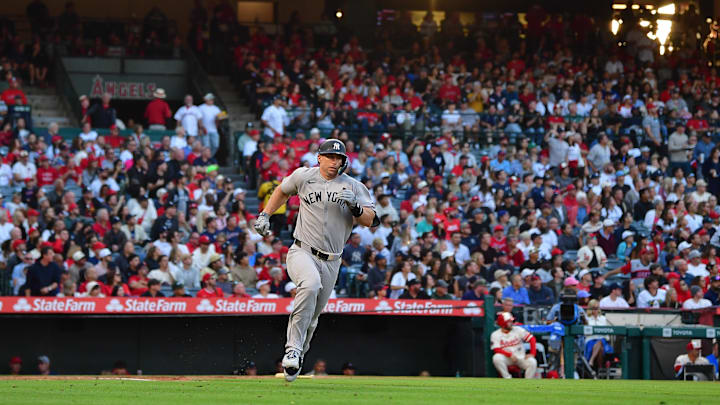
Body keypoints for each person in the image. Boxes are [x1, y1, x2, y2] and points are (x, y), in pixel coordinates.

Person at [254, 139, 378, 382]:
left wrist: (355, 207)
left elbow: (371, 220)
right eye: (330, 156)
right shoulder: (303, 176)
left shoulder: (354, 186)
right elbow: (281, 190)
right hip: (302, 250)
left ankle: (298, 354)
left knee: (312, 317)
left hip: (332, 260)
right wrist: (265, 214)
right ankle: (292, 349)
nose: (334, 161)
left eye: (339, 158)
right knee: (309, 285)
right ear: (319, 158)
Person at [491, 312, 538, 379]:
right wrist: (509, 354)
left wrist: (533, 353)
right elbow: (496, 349)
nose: (511, 323)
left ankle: (528, 382)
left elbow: (532, 339)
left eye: (511, 321)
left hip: (520, 357)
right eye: (509, 322)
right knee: (496, 358)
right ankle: (507, 378)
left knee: (532, 361)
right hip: (507, 358)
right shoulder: (495, 334)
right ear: (503, 323)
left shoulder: (518, 329)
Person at [585, 299, 613, 370]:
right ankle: (599, 369)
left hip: (602, 340)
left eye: (597, 308)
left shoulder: (603, 319)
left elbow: (607, 332)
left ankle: (591, 361)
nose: (596, 310)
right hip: (590, 340)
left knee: (600, 342)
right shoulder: (586, 319)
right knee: (600, 348)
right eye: (594, 308)